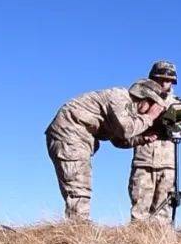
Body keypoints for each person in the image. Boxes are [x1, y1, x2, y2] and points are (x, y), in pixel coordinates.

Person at [45, 81, 167, 220]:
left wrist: (143, 138)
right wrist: (150, 117)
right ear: (144, 98)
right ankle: (78, 231)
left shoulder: (127, 109)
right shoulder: (119, 97)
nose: (151, 110)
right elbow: (125, 130)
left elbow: (118, 140)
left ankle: (78, 227)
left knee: (80, 188)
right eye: (152, 105)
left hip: (74, 137)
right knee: (79, 189)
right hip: (70, 135)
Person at [121, 78, 181, 222]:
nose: (164, 83)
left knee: (163, 211)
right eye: (160, 79)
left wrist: (170, 123)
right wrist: (149, 118)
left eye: (168, 80)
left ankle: (160, 242)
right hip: (143, 161)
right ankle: (137, 241)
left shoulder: (178, 104)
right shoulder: (139, 97)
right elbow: (129, 125)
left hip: (167, 164)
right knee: (139, 208)